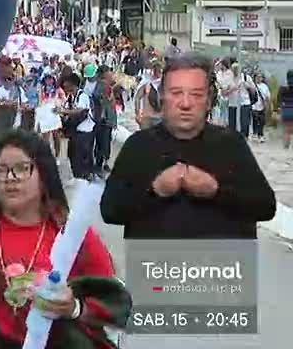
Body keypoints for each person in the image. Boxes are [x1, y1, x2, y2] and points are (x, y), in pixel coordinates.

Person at [0, 130, 116, 347]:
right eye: (1, 170)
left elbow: (112, 302)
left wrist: (73, 307)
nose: (10, 178)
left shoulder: (71, 234)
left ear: (44, 175)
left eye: (22, 168)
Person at [102, 53, 276, 239]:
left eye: (196, 94)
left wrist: (216, 191)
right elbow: (110, 210)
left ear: (208, 100)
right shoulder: (139, 146)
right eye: (176, 93)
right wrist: (154, 191)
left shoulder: (231, 144)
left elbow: (266, 206)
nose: (185, 104)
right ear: (162, 97)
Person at [58, 73, 96, 182]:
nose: (64, 85)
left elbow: (80, 111)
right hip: (76, 132)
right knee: (72, 156)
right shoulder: (71, 97)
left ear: (72, 84)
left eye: (66, 83)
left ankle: (84, 180)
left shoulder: (82, 96)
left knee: (81, 158)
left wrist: (63, 111)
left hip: (84, 133)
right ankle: (78, 178)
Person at [134, 60, 164, 130]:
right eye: (157, 71)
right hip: (148, 118)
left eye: (160, 71)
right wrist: (137, 113)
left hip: (159, 118)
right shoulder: (147, 83)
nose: (159, 74)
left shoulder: (164, 84)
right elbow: (137, 98)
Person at [251, 72, 271, 144]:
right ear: (255, 78)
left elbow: (268, 96)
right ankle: (255, 133)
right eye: (258, 77)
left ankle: (260, 134)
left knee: (262, 121)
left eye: (261, 77)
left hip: (262, 106)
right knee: (255, 120)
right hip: (254, 106)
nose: (259, 78)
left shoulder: (265, 86)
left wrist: (267, 105)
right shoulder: (252, 86)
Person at [277, 70, 293, 150]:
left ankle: (286, 148)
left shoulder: (282, 88)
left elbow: (279, 101)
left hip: (286, 111)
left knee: (286, 131)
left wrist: (278, 112)